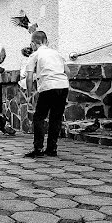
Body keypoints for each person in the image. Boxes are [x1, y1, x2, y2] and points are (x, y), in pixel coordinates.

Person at [24, 30, 69, 158]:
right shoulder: (57, 53)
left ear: (33, 44)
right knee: (56, 118)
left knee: (39, 117)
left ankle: (38, 148)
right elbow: (68, 71)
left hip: (48, 86)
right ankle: (52, 149)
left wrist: (29, 94)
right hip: (62, 86)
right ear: (46, 41)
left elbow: (29, 77)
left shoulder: (35, 55)